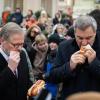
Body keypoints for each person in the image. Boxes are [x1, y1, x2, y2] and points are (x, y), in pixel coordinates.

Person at [44, 15, 100, 100]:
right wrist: (69, 66)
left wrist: (94, 63)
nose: (84, 43)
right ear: (74, 33)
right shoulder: (64, 46)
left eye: (88, 38)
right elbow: (53, 77)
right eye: (80, 38)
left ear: (95, 32)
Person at [0, 22, 32, 100]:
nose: (20, 48)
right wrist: (10, 69)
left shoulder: (22, 54)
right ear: (2, 40)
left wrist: (34, 89)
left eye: (22, 44)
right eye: (15, 45)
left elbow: (25, 81)